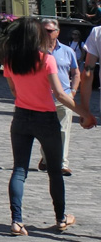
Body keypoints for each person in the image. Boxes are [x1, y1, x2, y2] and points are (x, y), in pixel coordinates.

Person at [4, 16, 84, 235]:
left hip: (21, 116)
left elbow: (13, 90)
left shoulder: (10, 60)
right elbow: (59, 93)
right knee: (55, 171)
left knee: (19, 170)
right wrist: (84, 113)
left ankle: (16, 221)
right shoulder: (45, 60)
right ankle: (60, 218)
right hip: (46, 118)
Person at [38, 18, 79, 176]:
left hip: (64, 97)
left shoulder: (68, 51)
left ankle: (62, 163)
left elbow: (75, 72)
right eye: (44, 30)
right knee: (44, 132)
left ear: (57, 32)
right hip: (42, 98)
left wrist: (73, 91)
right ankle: (46, 157)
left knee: (63, 131)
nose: (46, 34)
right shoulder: (36, 51)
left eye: (49, 31)